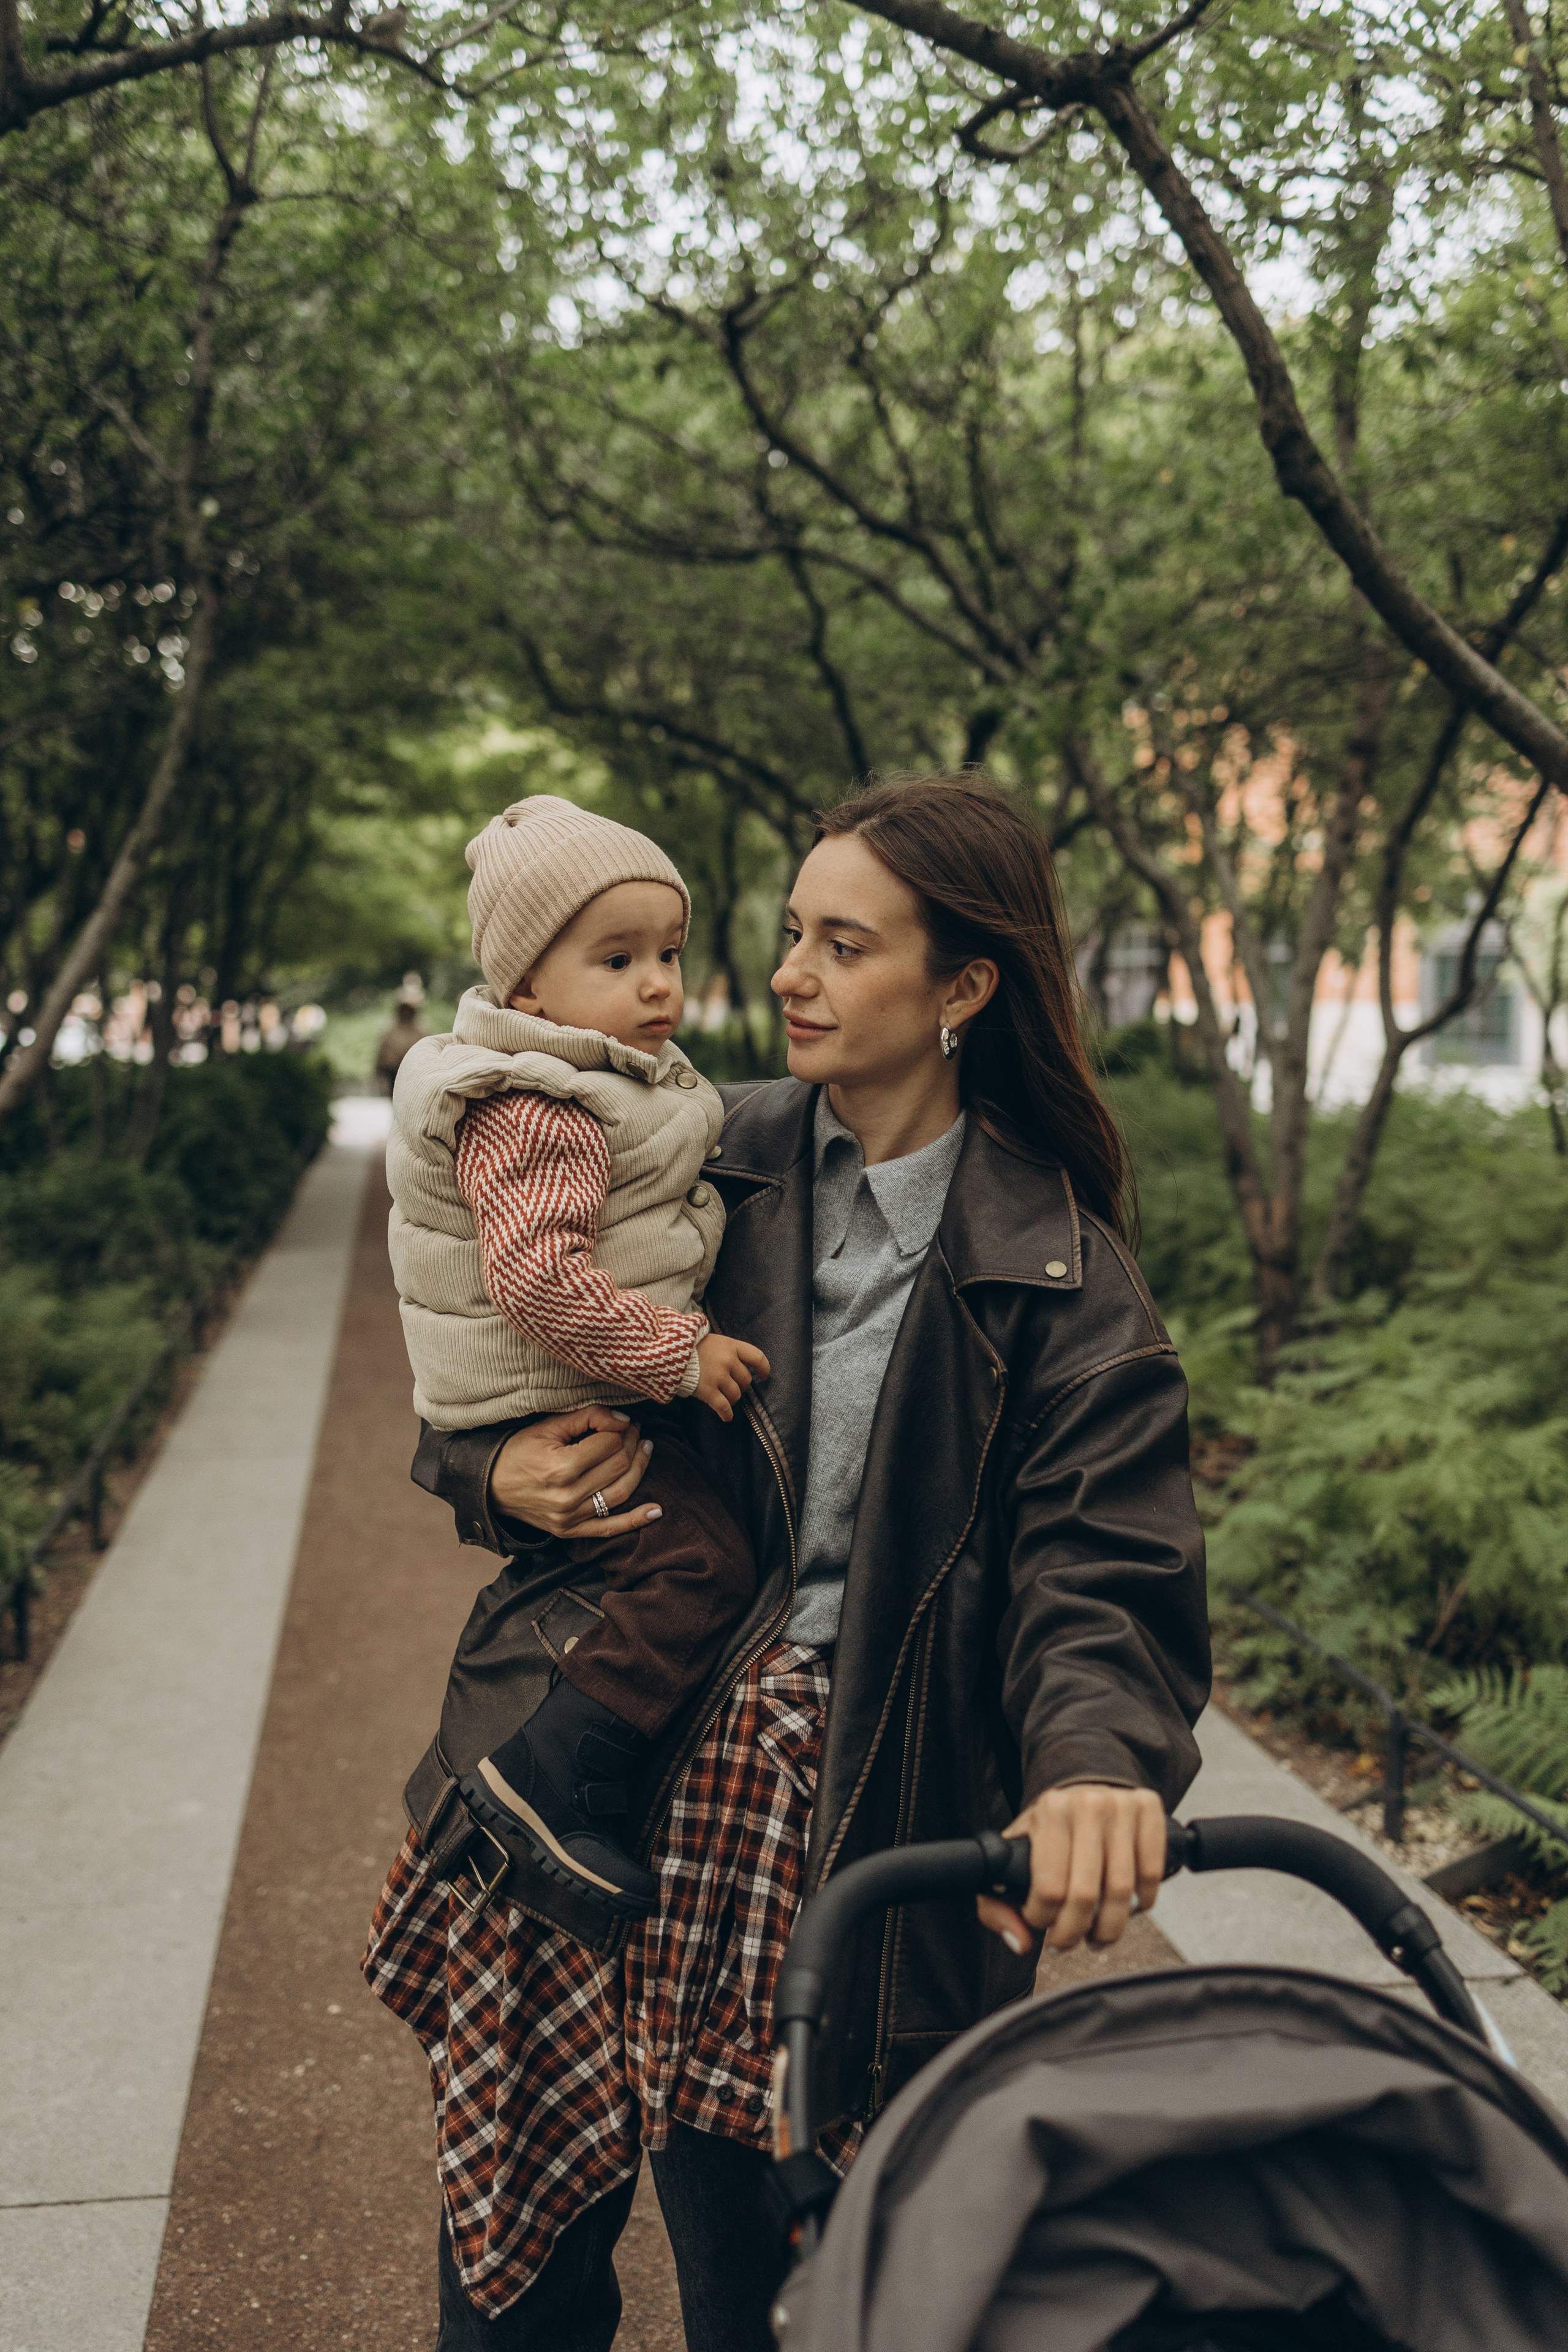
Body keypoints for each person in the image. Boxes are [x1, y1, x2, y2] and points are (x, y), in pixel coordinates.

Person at [364, 772, 1210, 2352]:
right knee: (510, 2285)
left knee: (769, 2295)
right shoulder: (691, 1149)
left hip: (833, 1834)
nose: (787, 975)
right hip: (579, 1765)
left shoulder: (1064, 1283)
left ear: (962, 988)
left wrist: (1092, 1763)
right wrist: (492, 1471)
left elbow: (1099, 1575)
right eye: (789, 933)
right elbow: (492, 1344)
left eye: (842, 944)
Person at [385, 796, 769, 1915]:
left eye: (669, 954)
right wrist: (681, 1353)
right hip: (554, 1395)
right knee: (695, 1563)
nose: (659, 985)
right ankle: (555, 1775)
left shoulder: (608, 1082)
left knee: (685, 1556)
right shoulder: (539, 1106)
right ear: (526, 991)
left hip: (571, 1391)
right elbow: (539, 1279)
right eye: (618, 959)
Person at [375, 996, 426, 1094]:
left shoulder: (420, 1029)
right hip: (393, 1069)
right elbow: (383, 1049)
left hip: (413, 1069)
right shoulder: (390, 1029)